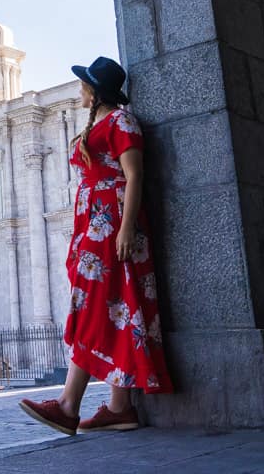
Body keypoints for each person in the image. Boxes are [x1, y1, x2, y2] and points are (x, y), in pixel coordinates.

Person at [20, 57, 172, 436]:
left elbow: (134, 176)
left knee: (94, 307)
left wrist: (125, 229)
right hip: (93, 225)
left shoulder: (121, 122)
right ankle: (120, 406)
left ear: (96, 89)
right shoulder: (100, 123)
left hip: (112, 225)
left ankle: (69, 405)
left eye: (85, 83)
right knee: (114, 308)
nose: (80, 88)